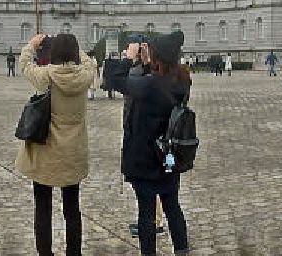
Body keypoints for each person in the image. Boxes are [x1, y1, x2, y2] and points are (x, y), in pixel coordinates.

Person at [110, 31, 192, 255]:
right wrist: (148, 64)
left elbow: (116, 80)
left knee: (146, 213)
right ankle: (182, 250)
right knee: (172, 206)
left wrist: (128, 58)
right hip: (169, 155)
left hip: (145, 157)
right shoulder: (182, 80)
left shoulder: (150, 85)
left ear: (158, 58)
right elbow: (154, 87)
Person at [14, 33, 95, 256]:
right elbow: (89, 62)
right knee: (72, 209)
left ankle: (45, 253)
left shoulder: (46, 75)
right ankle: (74, 252)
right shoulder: (85, 76)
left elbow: (25, 65)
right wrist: (76, 50)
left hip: (46, 151)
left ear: (53, 52)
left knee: (43, 208)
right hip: (73, 152)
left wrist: (32, 44)